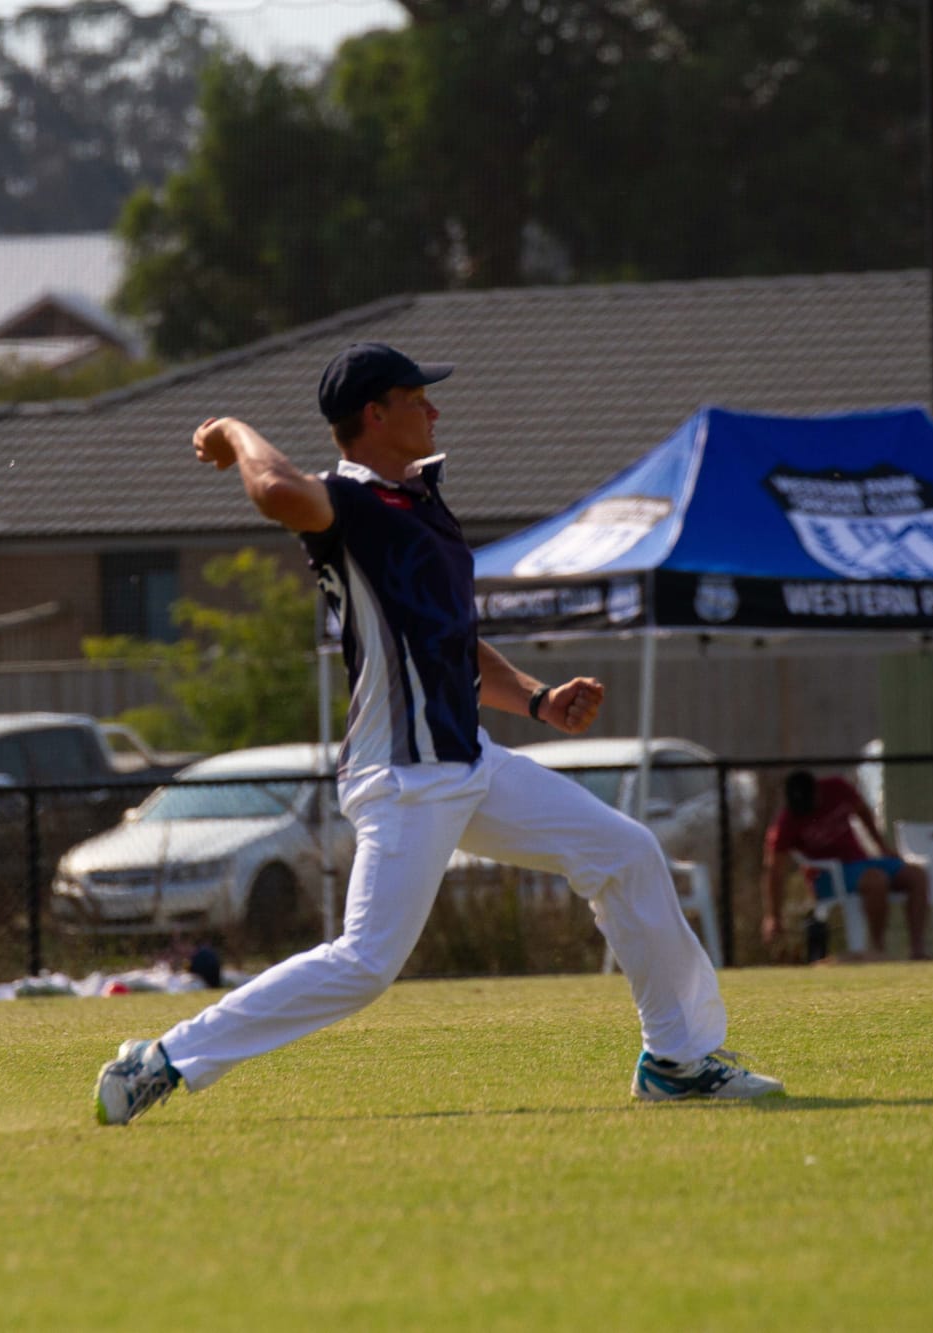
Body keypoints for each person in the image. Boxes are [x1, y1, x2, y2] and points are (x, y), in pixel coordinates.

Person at [93, 341, 783, 1125]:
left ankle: (677, 1060)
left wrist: (538, 698)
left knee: (627, 852)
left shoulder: (420, 503)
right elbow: (277, 491)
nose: (435, 407)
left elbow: (449, 638)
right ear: (374, 414)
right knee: (365, 963)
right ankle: (165, 1058)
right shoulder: (346, 504)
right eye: (416, 396)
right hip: (405, 773)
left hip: (469, 761)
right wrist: (235, 431)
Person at [761, 769, 930, 961]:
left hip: (861, 863)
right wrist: (773, 916)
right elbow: (774, 870)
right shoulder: (786, 822)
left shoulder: (837, 788)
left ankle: (918, 949)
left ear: (817, 791)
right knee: (876, 879)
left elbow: (863, 812)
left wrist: (881, 846)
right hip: (826, 877)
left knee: (916, 875)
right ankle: (878, 949)